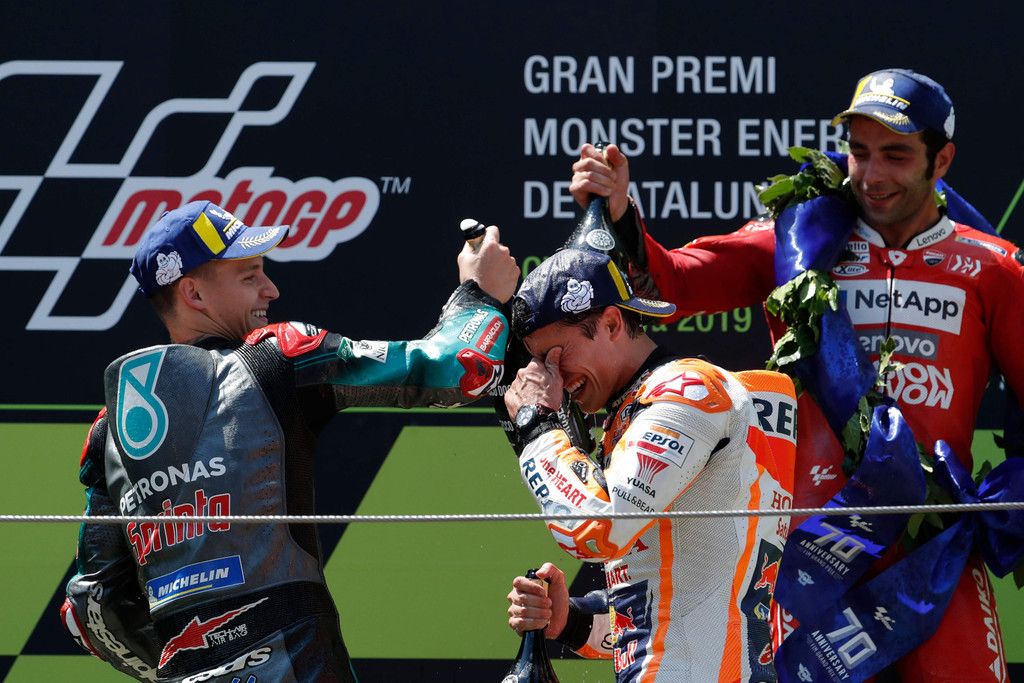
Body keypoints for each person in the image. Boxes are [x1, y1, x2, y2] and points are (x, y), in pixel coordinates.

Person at [569, 68, 1024, 682]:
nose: (872, 174)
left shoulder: (994, 268)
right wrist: (620, 213)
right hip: (812, 546)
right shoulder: (796, 241)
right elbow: (674, 284)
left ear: (940, 160)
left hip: (935, 545)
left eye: (895, 155)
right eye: (859, 152)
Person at [59, 200, 519, 682]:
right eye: (250, 276)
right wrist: (479, 293)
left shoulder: (109, 429)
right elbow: (456, 369)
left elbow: (92, 609)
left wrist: (193, 663)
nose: (271, 289)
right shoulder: (276, 358)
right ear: (193, 292)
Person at [502, 248, 796, 681]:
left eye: (556, 355)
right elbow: (668, 614)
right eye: (539, 362)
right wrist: (571, 621)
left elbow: (596, 528)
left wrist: (535, 425)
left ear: (611, 323)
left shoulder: (688, 390)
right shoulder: (641, 409)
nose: (551, 377)